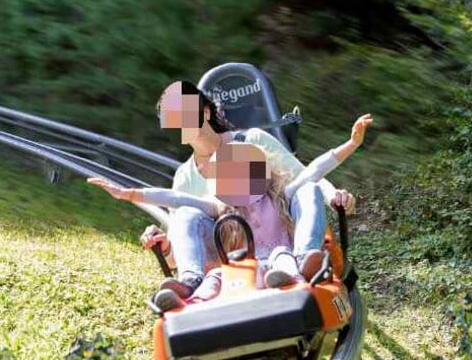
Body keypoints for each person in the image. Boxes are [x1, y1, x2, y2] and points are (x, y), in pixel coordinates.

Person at [88, 112, 371, 309]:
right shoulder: (222, 209)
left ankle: (303, 265)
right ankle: (190, 291)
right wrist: (131, 194)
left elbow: (314, 171)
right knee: (212, 268)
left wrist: (352, 144)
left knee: (303, 199)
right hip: (242, 272)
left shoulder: (280, 195)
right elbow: (176, 199)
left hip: (283, 261)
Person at [138, 80, 356, 302]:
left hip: (279, 243)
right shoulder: (185, 176)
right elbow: (179, 252)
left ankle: (302, 262)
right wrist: (165, 246)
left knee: (306, 189)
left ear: (204, 112)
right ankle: (191, 286)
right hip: (229, 261)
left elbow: (305, 176)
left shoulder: (252, 140)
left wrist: (333, 196)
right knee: (187, 212)